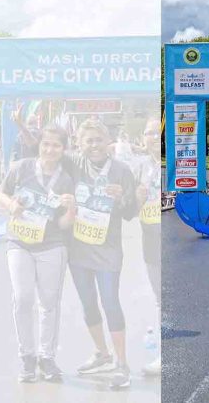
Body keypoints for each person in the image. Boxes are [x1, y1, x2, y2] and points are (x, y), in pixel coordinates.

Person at [0, 125, 76, 382]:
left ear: (64, 149)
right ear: (39, 145)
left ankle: (46, 357)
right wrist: (11, 206)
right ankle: (26, 358)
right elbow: (0, 193)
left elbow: (65, 225)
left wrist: (71, 209)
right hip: (19, 241)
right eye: (46, 144)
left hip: (52, 244)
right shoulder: (21, 167)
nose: (50, 149)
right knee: (22, 298)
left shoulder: (66, 179)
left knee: (49, 303)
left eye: (56, 145)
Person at [64, 118, 138, 388]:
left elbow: (131, 213)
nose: (94, 145)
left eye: (98, 140)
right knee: (87, 303)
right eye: (88, 140)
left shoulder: (121, 170)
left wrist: (121, 198)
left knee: (110, 301)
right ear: (80, 144)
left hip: (108, 249)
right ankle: (102, 353)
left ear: (108, 142)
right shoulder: (73, 164)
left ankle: (121, 363)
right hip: (79, 247)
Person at [134, 118, 163, 375]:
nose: (152, 137)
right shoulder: (139, 166)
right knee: (156, 291)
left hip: (168, 233)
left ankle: (161, 354)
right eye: (148, 133)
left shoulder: (172, 164)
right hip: (148, 232)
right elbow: (130, 205)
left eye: (156, 132)